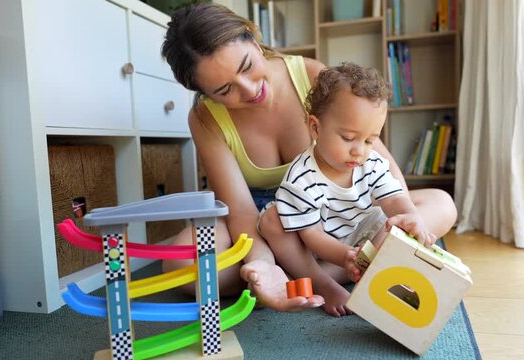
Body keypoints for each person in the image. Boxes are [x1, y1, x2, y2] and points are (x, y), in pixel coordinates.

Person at [160, 3, 457, 313]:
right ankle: (320, 270)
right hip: (268, 226)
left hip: (337, 211)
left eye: (247, 66)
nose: (249, 90)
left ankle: (314, 274)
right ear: (205, 92)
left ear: (252, 37)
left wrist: (403, 220)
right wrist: (262, 261)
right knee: (182, 263)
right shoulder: (205, 118)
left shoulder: (310, 75)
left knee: (441, 204)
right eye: (224, 90)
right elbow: (242, 211)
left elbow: (379, 163)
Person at [259, 63, 437, 317]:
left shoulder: (371, 162)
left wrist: (411, 216)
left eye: (369, 140)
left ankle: (358, 271)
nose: (359, 151)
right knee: (272, 221)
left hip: (356, 238)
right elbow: (312, 235)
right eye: (348, 138)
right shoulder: (301, 177)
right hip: (312, 247)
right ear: (316, 128)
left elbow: (394, 198)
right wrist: (343, 255)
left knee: (394, 221)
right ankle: (324, 284)